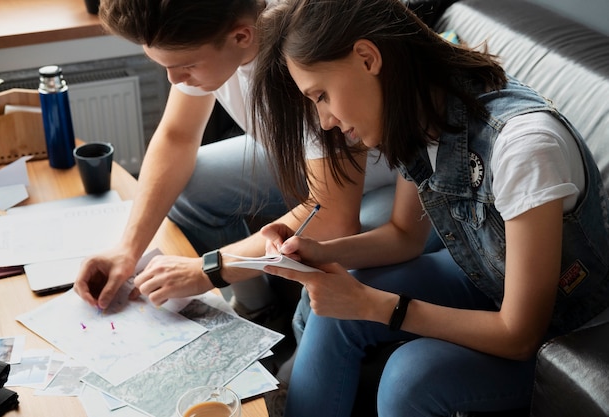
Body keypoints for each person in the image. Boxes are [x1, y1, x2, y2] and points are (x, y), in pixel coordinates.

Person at [250, 0, 609, 415]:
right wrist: (317, 251)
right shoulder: (425, 110)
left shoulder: (523, 149)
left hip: (566, 331)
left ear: (368, 58)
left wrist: (369, 304)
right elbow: (404, 237)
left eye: (321, 95)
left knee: (411, 377)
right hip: (486, 273)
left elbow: (520, 334)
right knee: (335, 308)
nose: (325, 120)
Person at [73, 0, 402, 326]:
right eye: (165, 65)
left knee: (333, 277)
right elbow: (177, 137)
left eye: (186, 65)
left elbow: (334, 217)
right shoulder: (210, 34)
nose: (174, 79)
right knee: (191, 184)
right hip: (304, 159)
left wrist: (210, 269)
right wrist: (127, 251)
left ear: (242, 37)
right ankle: (258, 308)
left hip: (385, 181)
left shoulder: (304, 63)